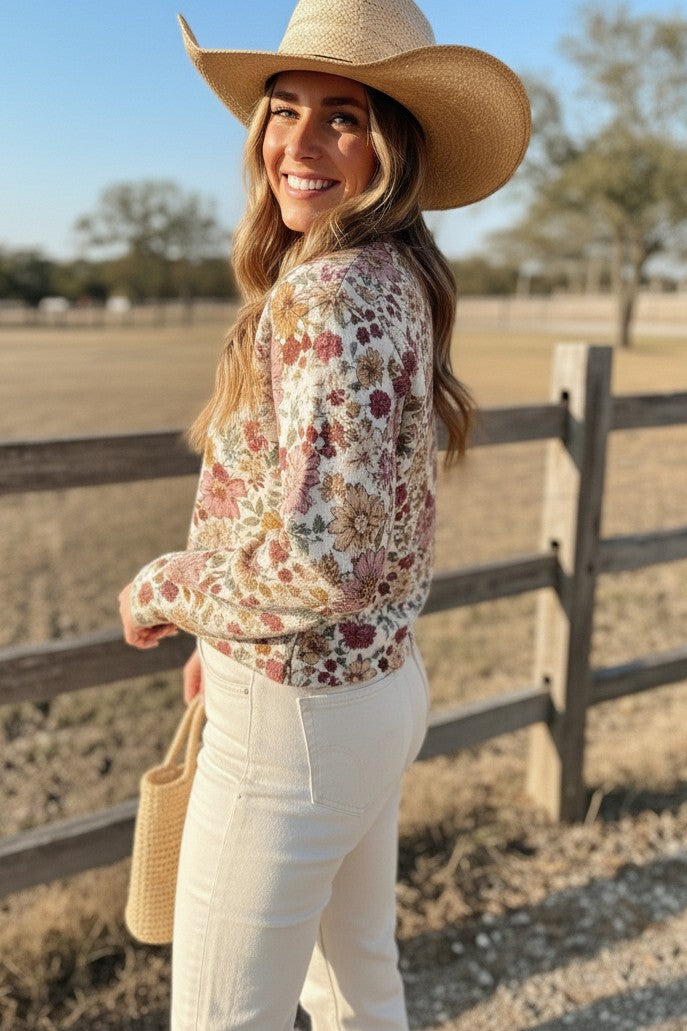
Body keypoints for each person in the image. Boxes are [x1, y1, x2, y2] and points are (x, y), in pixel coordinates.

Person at [118, 0, 530, 1026]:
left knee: (222, 1014)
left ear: (390, 143)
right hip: (372, 690)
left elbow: (319, 560)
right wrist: (219, 629)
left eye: (341, 117)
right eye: (283, 108)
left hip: (294, 721)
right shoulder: (393, 277)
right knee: (355, 986)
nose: (297, 144)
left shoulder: (326, 295)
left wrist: (164, 586)